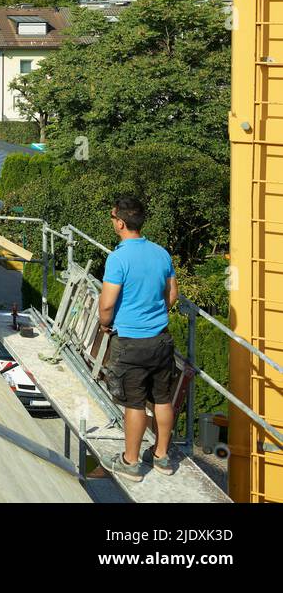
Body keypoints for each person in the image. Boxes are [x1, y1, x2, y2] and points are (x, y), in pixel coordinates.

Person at [98, 195, 180, 481]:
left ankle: (131, 462)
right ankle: (162, 457)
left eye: (112, 218)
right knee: (162, 397)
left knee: (134, 403)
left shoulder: (118, 258)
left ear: (120, 222)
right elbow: (172, 295)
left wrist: (105, 324)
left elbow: (107, 304)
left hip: (131, 343)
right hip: (160, 339)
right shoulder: (161, 253)